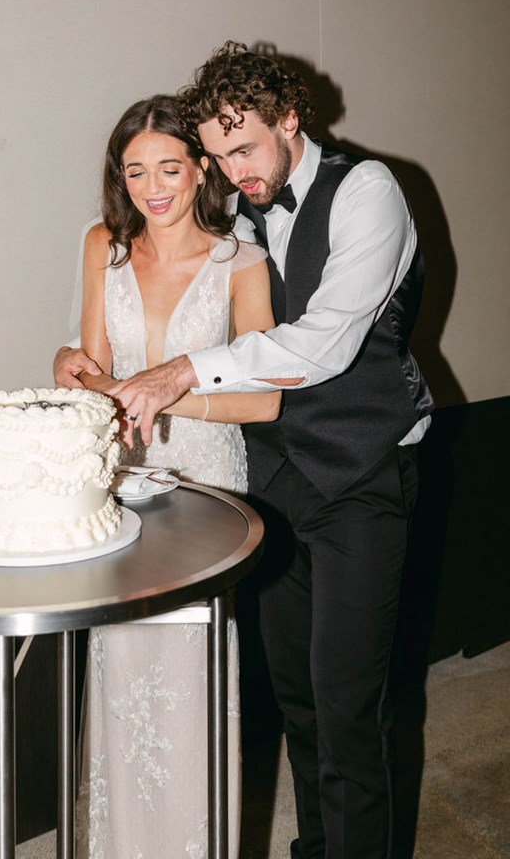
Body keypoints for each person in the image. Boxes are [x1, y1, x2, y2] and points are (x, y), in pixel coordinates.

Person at [55, 43, 433, 859]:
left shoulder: (368, 191)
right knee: (295, 698)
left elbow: (326, 343)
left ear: (290, 120)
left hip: (362, 473)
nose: (234, 169)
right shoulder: (240, 210)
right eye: (219, 155)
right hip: (269, 481)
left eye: (245, 148)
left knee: (348, 705)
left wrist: (179, 371)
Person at [61, 94, 280, 859]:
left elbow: (262, 398)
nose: (153, 188)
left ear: (199, 171)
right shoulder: (102, 247)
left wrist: (163, 390)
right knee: (119, 670)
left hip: (205, 489)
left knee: (191, 680)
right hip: (122, 485)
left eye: (168, 168)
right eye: (134, 173)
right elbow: (91, 374)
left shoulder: (240, 263)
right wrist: (72, 369)